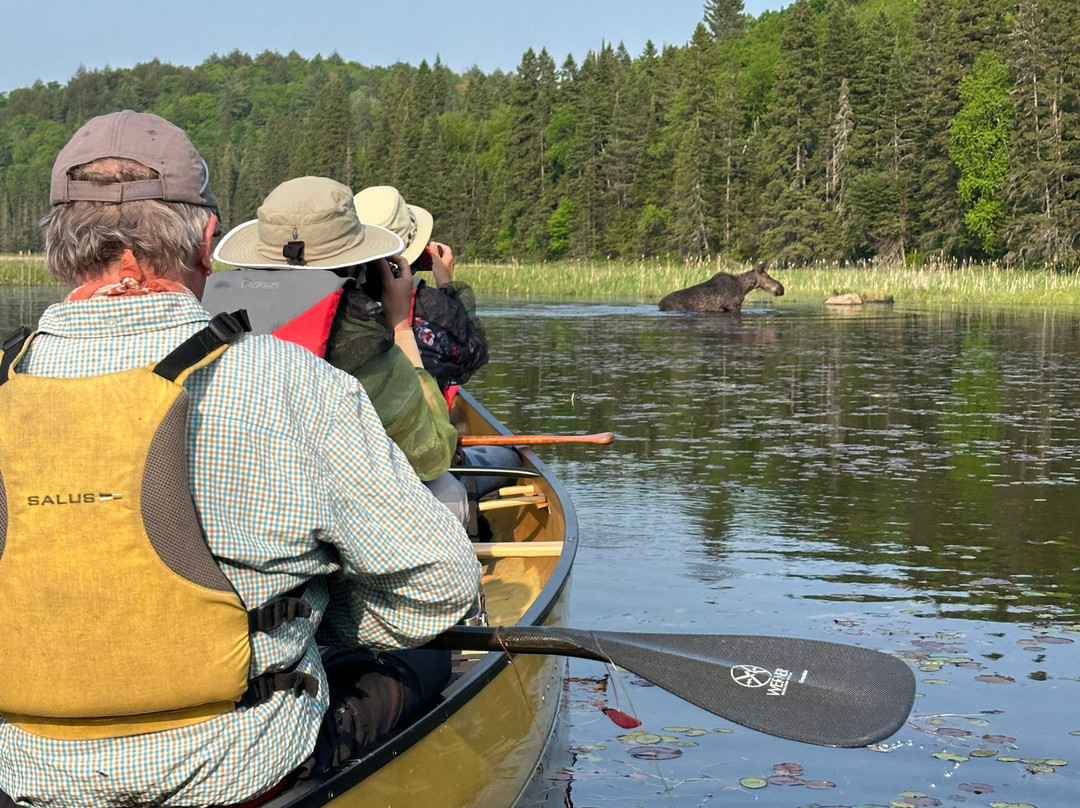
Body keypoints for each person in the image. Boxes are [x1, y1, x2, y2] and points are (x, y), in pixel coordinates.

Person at [0, 110, 481, 808]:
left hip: (25, 773)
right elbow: (440, 585)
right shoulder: (289, 381)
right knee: (428, 653)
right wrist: (311, 618)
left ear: (54, 244)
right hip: (240, 769)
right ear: (205, 241)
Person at [208, 178, 468, 524]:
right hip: (318, 514)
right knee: (449, 492)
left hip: (223, 504)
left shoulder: (199, 310)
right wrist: (401, 327)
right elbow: (432, 455)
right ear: (356, 263)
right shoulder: (358, 334)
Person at [352, 186, 488, 409]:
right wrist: (447, 285)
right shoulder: (432, 309)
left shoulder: (334, 298)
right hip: (418, 430)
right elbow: (470, 356)